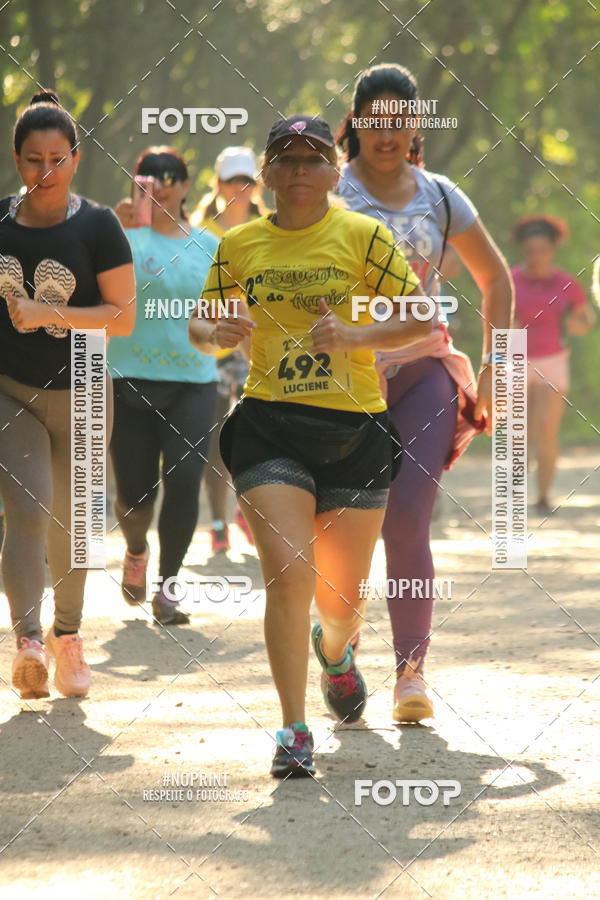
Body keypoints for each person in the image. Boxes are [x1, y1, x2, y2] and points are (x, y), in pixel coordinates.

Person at [190, 114, 430, 778]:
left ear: (334, 171)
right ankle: (293, 729)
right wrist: (217, 328)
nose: (298, 171)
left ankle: (336, 652)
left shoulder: (363, 235)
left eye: (312, 158)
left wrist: (356, 338)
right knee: (288, 576)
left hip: (355, 431)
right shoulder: (239, 243)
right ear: (266, 175)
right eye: (285, 160)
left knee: (340, 603)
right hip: (270, 424)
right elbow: (201, 325)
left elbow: (419, 315)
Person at [336, 63, 513, 722]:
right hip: (346, 380)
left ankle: (411, 673)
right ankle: (339, 642)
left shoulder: (440, 197)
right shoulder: (328, 194)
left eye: (399, 121)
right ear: (355, 126)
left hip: (425, 371)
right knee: (340, 530)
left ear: (416, 127)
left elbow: (497, 280)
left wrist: (495, 369)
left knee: (407, 517)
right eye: (374, 122)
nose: (387, 134)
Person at [0, 90, 135, 698]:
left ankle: (68, 639)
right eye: (33, 159)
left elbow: (122, 317)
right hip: (10, 392)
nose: (44, 172)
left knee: (74, 524)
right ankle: (28, 643)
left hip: (82, 387)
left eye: (57, 158)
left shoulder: (99, 225)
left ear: (75, 159)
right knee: (28, 510)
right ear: (16, 157)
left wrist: (46, 310)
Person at [109, 147, 219, 625]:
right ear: (138, 182)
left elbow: (228, 307)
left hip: (194, 380)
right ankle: (136, 549)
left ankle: (168, 587)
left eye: (172, 176)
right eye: (151, 176)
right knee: (136, 498)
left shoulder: (210, 245)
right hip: (128, 378)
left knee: (184, 480)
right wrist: (116, 226)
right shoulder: (118, 237)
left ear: (187, 185)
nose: (162, 184)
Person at [191, 147, 263, 553]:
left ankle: (245, 510)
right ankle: (219, 522)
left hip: (259, 346)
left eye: (247, 181)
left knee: (253, 434)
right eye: (233, 181)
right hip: (216, 345)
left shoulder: (271, 229)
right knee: (217, 440)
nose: (240, 188)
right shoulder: (199, 233)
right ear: (218, 185)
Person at [511, 216, 595, 514]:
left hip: (553, 360)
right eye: (530, 250)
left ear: (551, 250)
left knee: (546, 430)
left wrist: (578, 325)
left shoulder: (566, 283)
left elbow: (586, 318)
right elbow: (493, 318)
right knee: (521, 431)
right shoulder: (510, 280)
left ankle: (543, 495)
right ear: (523, 251)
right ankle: (516, 489)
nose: (536, 256)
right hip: (516, 360)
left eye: (542, 250)